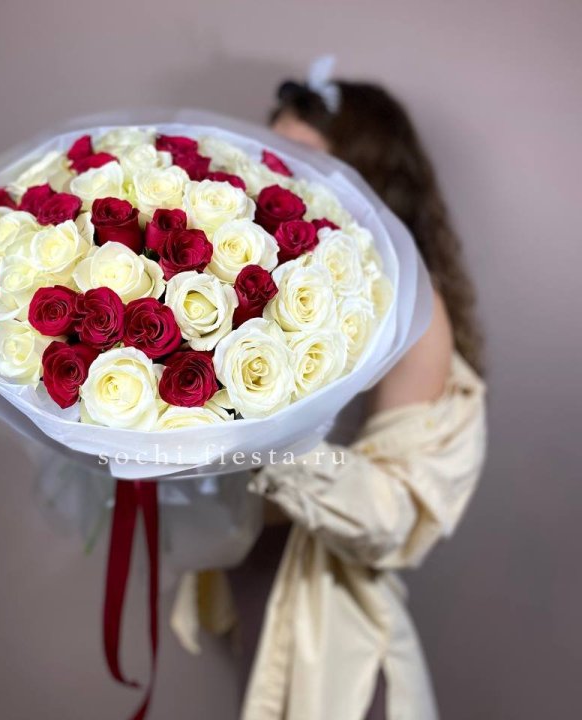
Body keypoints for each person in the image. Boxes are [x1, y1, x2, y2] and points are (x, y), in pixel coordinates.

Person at [171, 68, 487, 720]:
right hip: (255, 602)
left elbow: (393, 513)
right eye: (270, 152)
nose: (279, 173)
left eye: (303, 157)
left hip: (340, 645)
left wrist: (254, 436)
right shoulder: (256, 283)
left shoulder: (411, 307)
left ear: (371, 175)